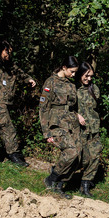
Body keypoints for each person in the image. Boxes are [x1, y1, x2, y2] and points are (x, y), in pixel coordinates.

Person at [39, 56, 84, 199]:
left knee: (79, 155)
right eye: (72, 71)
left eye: (76, 72)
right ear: (64, 67)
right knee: (71, 152)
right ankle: (51, 178)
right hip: (56, 123)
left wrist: (77, 115)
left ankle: (59, 185)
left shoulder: (70, 84)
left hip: (71, 123)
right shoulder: (51, 82)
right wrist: (46, 132)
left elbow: (71, 106)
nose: (74, 74)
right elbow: (43, 108)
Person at [0, 40, 36, 167]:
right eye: (6, 51)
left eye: (10, 51)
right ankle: (13, 154)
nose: (9, 53)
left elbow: (21, 73)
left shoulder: (11, 65)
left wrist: (29, 79)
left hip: (8, 102)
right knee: (8, 128)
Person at [75, 61, 102, 197]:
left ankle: (85, 184)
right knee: (82, 158)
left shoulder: (94, 89)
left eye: (91, 76)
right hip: (79, 129)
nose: (89, 79)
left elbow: (97, 108)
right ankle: (59, 175)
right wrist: (77, 115)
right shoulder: (72, 88)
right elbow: (65, 109)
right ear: (80, 74)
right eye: (86, 76)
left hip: (94, 129)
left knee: (95, 155)